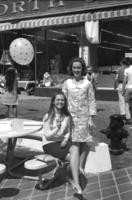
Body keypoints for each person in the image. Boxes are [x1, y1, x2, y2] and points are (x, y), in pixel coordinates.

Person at [62, 57, 96, 194]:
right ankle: (75, 170)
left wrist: (91, 119)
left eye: (79, 67)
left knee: (84, 143)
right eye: (74, 67)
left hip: (84, 116)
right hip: (70, 118)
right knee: (74, 144)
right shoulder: (67, 83)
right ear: (71, 68)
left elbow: (92, 100)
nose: (76, 70)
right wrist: (61, 117)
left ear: (82, 69)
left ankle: (80, 167)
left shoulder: (88, 83)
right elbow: (62, 100)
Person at [42, 91, 72, 162]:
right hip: (49, 144)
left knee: (76, 148)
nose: (60, 102)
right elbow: (47, 136)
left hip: (61, 142)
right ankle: (78, 171)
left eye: (62, 100)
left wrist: (65, 140)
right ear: (53, 102)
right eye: (58, 100)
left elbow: (67, 132)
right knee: (72, 157)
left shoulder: (66, 116)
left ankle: (76, 171)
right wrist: (57, 128)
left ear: (65, 102)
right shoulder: (48, 116)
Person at [114, 58, 131, 124]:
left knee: (121, 100)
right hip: (128, 85)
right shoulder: (129, 69)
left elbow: (116, 79)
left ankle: (123, 113)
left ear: (122, 63)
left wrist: (115, 85)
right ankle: (128, 115)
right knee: (127, 102)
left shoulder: (119, 69)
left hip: (121, 85)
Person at [122, 57, 132, 123]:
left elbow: (124, 81)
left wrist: (123, 90)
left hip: (128, 89)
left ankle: (131, 121)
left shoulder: (127, 70)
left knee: (129, 105)